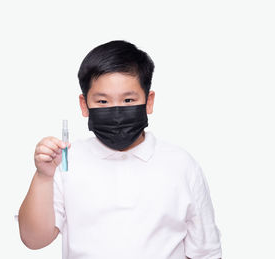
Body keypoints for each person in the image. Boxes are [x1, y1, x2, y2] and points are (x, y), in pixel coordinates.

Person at [15, 40, 222, 259]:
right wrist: (43, 176)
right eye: (103, 101)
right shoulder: (65, 161)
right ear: (84, 105)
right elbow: (34, 240)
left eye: (128, 99)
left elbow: (205, 251)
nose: (116, 112)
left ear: (148, 101)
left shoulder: (181, 164)